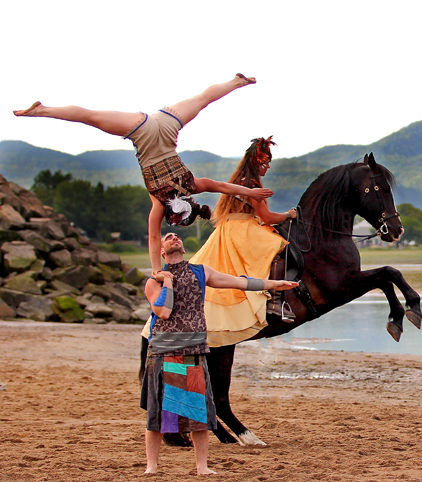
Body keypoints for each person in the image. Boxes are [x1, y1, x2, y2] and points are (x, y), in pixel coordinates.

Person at [13, 74, 274, 278]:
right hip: (143, 130)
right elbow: (152, 239)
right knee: (90, 117)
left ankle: (237, 82)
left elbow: (218, 186)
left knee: (202, 99)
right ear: (175, 216)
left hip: (166, 123)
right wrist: (156, 269)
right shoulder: (159, 203)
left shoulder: (190, 186)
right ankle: (41, 111)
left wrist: (250, 192)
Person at [141, 232, 297, 475]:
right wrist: (168, 281)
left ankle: (202, 467)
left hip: (193, 350)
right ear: (161, 252)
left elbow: (239, 282)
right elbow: (163, 311)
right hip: (163, 351)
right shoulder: (154, 283)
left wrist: (273, 284)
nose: (173, 236)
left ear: (182, 247)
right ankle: (152, 466)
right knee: (158, 413)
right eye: (167, 237)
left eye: (176, 235)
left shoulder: (201, 272)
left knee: (198, 413)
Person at [190, 136, 298, 347]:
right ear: (258, 162)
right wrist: (289, 214)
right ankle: (276, 302)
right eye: (266, 162)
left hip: (230, 228)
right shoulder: (251, 185)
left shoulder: (239, 181)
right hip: (242, 229)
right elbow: (267, 217)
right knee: (276, 247)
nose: (267, 167)